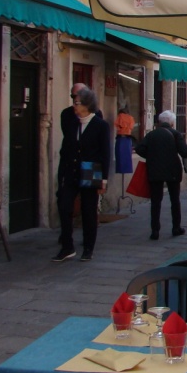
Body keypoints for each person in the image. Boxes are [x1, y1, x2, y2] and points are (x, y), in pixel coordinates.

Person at [55, 87, 110, 262]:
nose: (74, 106)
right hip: (71, 169)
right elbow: (66, 148)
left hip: (91, 169)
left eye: (77, 102)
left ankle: (88, 247)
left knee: (88, 210)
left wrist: (104, 179)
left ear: (87, 104)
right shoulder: (72, 123)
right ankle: (67, 246)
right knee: (64, 206)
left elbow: (105, 153)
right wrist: (62, 172)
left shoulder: (100, 125)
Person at [135, 110, 187, 240]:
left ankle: (155, 230)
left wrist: (150, 156)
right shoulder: (176, 134)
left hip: (155, 169)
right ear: (171, 122)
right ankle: (176, 227)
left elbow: (139, 148)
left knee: (155, 201)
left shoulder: (152, 134)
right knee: (174, 200)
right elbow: (185, 152)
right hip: (172, 171)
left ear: (160, 122)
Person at [113, 105, 135, 176]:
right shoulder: (131, 118)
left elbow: (117, 125)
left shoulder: (120, 117)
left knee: (120, 159)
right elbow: (131, 127)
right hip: (128, 140)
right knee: (127, 159)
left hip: (121, 139)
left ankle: (121, 169)